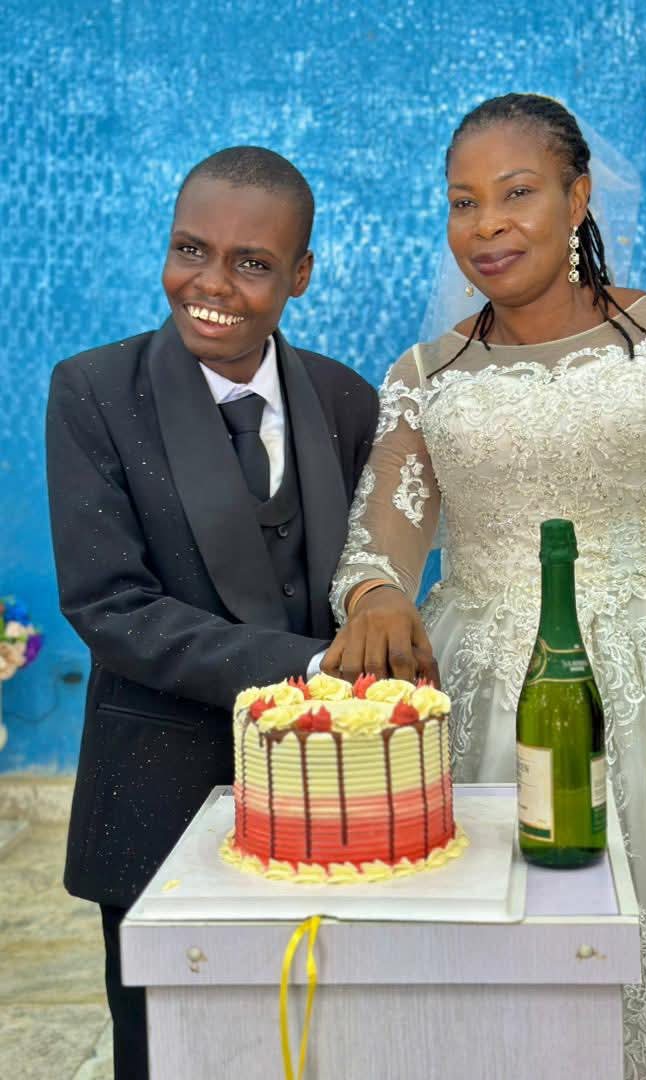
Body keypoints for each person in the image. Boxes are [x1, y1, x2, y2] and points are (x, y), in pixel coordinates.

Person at [324, 95, 646, 1077]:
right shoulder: (424, 375)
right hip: (494, 722)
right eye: (463, 202)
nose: (487, 225)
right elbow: (374, 549)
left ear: (579, 197)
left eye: (516, 193)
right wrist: (375, 596)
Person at [46, 146, 378, 1080]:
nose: (212, 284)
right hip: (158, 796)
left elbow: (362, 571)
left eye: (252, 262)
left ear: (300, 274)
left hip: (322, 796)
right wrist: (307, 666)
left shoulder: (348, 401)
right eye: (190, 249)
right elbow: (110, 606)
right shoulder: (94, 391)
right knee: (171, 1052)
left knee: (318, 1041)